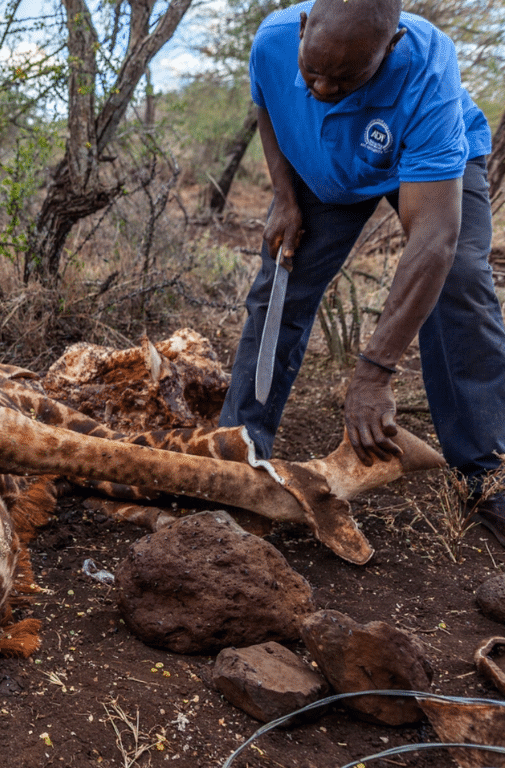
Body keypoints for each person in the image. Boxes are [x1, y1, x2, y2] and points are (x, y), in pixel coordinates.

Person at [222, 0, 505, 541]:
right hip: (323, 167)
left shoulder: (426, 68)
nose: (324, 89)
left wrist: (374, 372)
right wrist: (284, 194)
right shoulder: (274, 41)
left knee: (462, 281)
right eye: (314, 72)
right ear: (304, 30)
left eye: (346, 77)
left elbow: (434, 239)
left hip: (423, 160)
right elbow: (270, 107)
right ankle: (239, 452)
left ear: (390, 46)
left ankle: (487, 471)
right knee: (281, 279)